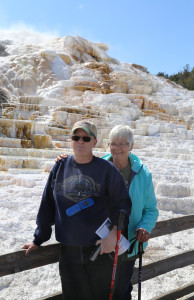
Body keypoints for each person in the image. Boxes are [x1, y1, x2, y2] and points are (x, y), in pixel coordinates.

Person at [22, 120, 131, 300]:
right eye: (76, 137)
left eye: (86, 138)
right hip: (69, 252)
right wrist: (39, 238)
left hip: (100, 251)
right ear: (71, 140)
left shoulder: (107, 170)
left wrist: (113, 233)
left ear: (94, 142)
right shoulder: (59, 167)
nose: (80, 141)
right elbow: (47, 204)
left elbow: (122, 205)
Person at [56, 124, 159, 300]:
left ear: (131, 146)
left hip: (128, 243)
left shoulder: (143, 174)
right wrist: (65, 161)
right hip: (98, 243)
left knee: (121, 291)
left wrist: (145, 227)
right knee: (99, 292)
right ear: (108, 145)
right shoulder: (97, 167)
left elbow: (151, 209)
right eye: (113, 143)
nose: (117, 148)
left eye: (123, 144)